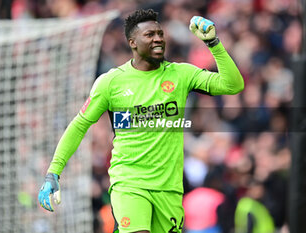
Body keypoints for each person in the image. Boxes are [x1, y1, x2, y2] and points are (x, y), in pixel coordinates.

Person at [38, 9, 244, 233]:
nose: (158, 38)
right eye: (149, 35)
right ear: (132, 42)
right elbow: (79, 125)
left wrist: (213, 42)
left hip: (169, 189)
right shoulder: (111, 82)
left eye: (160, 33)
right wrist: (53, 172)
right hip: (130, 182)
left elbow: (233, 85)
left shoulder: (181, 74)